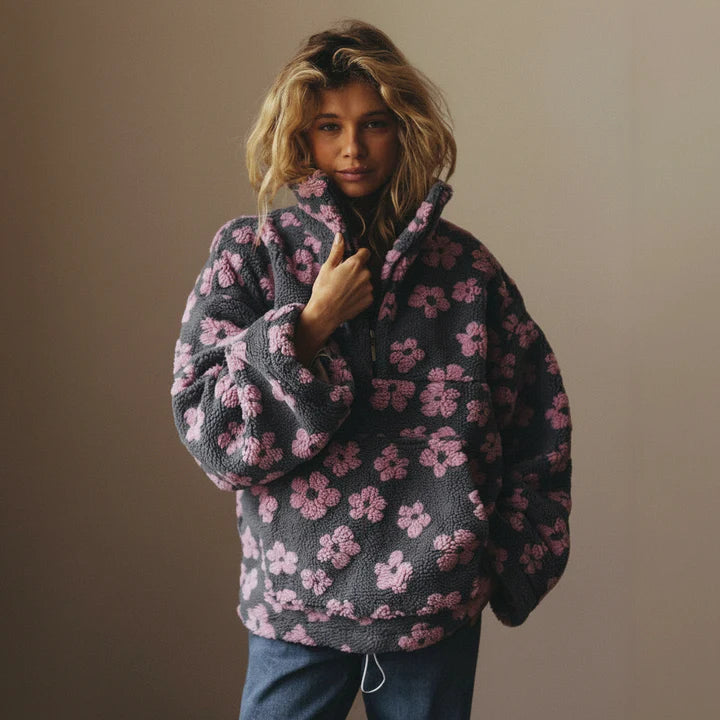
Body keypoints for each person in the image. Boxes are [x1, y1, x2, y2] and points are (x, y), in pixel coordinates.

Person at [170, 19, 572, 720]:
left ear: (404, 128)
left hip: (434, 607)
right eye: (330, 126)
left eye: (374, 124)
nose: (352, 148)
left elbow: (538, 419)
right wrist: (309, 326)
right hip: (296, 608)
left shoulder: (467, 270)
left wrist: (499, 562)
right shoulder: (252, 252)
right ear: (300, 134)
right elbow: (211, 433)